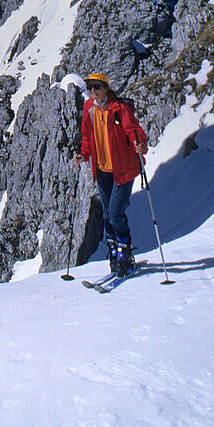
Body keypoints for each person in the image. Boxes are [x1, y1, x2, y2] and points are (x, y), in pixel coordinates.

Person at [74, 72, 148, 278]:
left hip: (123, 169)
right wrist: (83, 154)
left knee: (115, 213)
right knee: (107, 213)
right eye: (90, 88)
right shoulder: (89, 108)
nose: (93, 92)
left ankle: (125, 253)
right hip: (102, 170)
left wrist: (140, 145)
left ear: (106, 87)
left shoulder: (119, 109)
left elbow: (135, 132)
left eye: (97, 87)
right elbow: (88, 137)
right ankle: (115, 251)